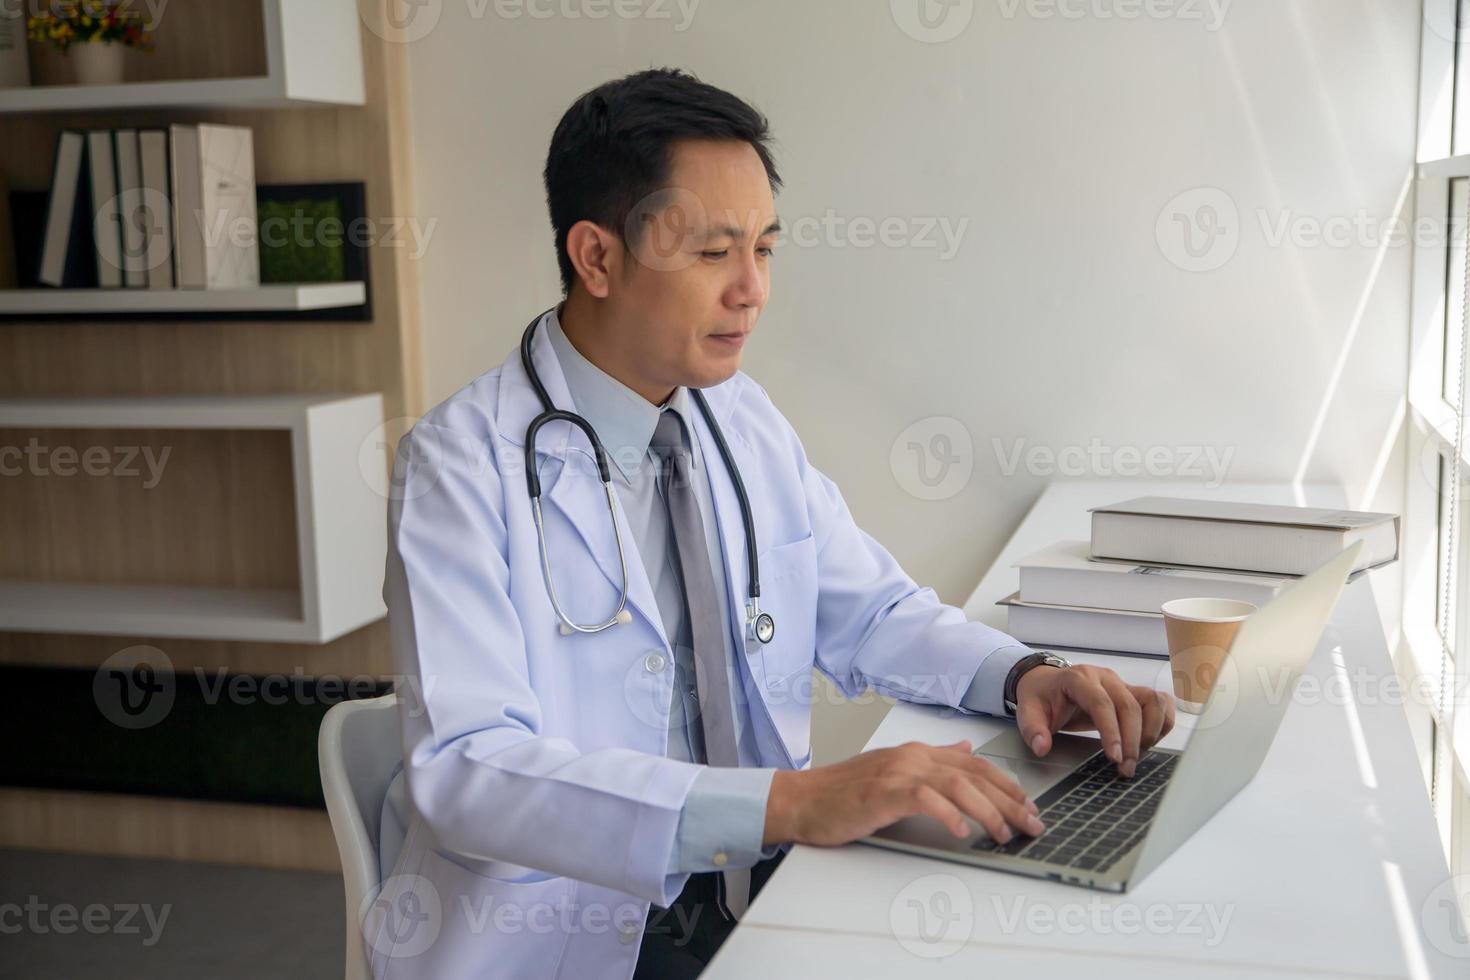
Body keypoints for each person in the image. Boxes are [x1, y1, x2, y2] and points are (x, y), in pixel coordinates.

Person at [369, 67, 1175, 980]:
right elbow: (469, 773)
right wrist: (787, 803)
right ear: (596, 258)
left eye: (765, 249)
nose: (751, 290)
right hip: (573, 934)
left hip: (757, 894)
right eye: (713, 253)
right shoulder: (458, 465)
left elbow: (869, 612)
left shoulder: (737, 416)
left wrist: (1023, 674)